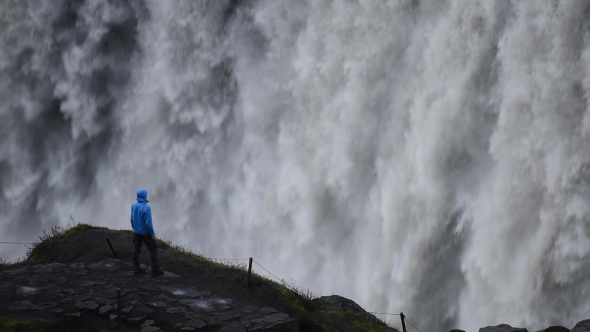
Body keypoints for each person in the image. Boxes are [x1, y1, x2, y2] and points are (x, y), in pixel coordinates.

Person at [131, 189, 163, 275]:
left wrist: (134, 228)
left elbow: (132, 219)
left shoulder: (133, 205)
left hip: (136, 232)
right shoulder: (146, 208)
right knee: (153, 249)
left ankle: (136, 269)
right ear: (145, 196)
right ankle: (155, 270)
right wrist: (152, 234)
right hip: (145, 233)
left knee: (136, 249)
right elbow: (148, 223)